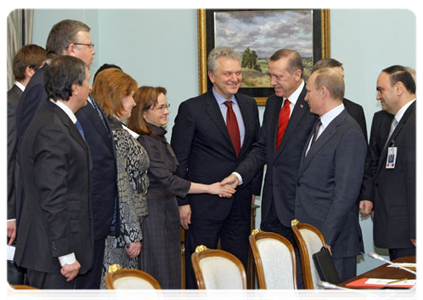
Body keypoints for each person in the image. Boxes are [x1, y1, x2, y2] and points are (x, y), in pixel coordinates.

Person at [221, 49, 317, 298]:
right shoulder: (274, 103)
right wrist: (238, 176)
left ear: (297, 74)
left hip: (300, 206)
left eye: (278, 77)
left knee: (303, 280)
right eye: (270, 75)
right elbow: (263, 148)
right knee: (275, 278)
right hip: (272, 206)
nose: (272, 82)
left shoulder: (314, 102)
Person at [171, 47, 262, 300]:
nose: (235, 79)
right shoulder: (192, 109)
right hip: (202, 207)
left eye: (238, 73)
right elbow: (180, 160)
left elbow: (257, 149)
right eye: (227, 74)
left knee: (237, 269)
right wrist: (182, 202)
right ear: (212, 76)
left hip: (240, 205)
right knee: (199, 270)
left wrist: (251, 188)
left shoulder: (249, 105)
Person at [127, 86, 235, 298]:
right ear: (144, 112)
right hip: (153, 216)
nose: (166, 111)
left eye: (166, 105)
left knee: (169, 278)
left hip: (166, 213)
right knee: (156, 279)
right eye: (160, 107)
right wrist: (210, 188)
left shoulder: (158, 138)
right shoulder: (144, 141)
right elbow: (169, 180)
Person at [14, 55, 93, 300]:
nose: (90, 87)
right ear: (74, 87)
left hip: (54, 252)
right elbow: (53, 197)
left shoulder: (57, 121)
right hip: (51, 255)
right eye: (87, 81)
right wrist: (66, 255)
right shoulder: (52, 127)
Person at [296, 67, 367, 281]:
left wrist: (325, 238)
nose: (306, 97)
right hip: (310, 234)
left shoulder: (349, 131)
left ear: (323, 92)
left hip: (333, 241)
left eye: (309, 91)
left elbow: (346, 193)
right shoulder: (319, 125)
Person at [91, 68, 150, 300]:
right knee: (116, 290)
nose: (134, 103)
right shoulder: (115, 134)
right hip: (119, 233)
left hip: (121, 228)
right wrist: (132, 234)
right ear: (115, 96)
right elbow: (121, 185)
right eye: (130, 96)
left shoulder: (112, 129)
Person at [5, 44, 46, 284]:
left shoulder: (26, 101)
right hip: (13, 212)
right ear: (30, 71)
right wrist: (8, 215)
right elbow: (8, 159)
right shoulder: (11, 103)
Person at [373, 65, 419, 260]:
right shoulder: (404, 121)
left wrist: (417, 229)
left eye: (381, 90)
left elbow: (417, 179)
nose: (378, 96)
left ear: (399, 88)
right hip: (400, 233)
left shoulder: (415, 123)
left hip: (410, 237)